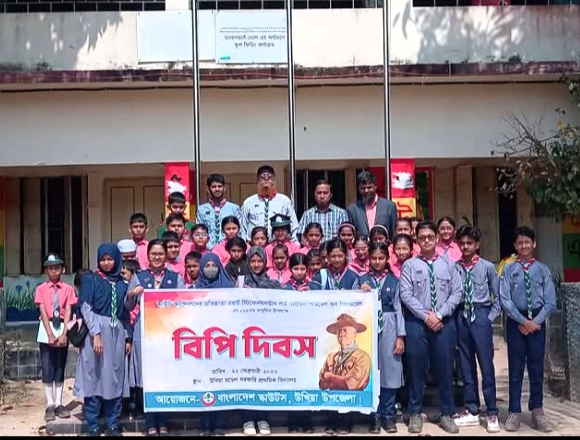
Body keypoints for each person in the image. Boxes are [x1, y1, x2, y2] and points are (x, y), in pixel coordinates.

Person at [399, 220, 462, 434]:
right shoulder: (409, 266)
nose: (426, 240)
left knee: (445, 369)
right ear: (416, 240)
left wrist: (440, 314)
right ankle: (415, 413)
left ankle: (447, 414)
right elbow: (406, 295)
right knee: (416, 370)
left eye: (429, 236)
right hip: (417, 324)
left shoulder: (449, 264)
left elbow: (457, 293)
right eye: (422, 237)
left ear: (436, 238)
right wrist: (426, 316)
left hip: (444, 323)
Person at [125, 239, 186, 437]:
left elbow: (185, 304)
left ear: (166, 255)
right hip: (144, 333)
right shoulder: (139, 276)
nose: (157, 257)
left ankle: (164, 422)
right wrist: (132, 294)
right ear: (148, 255)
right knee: (148, 378)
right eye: (153, 254)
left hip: (168, 334)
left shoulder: (175, 277)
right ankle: (150, 422)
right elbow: (128, 306)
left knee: (165, 378)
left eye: (160, 253)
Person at [499, 226, 556, 433]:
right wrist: (523, 321)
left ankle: (537, 411)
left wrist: (534, 322)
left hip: (537, 322)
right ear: (515, 246)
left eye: (527, 242)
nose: (523, 246)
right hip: (516, 322)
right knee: (515, 368)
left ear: (534, 244)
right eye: (520, 243)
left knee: (536, 367)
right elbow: (505, 300)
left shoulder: (543, 270)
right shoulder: (508, 269)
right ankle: (514, 411)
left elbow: (550, 302)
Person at [73, 243, 130, 437]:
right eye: (103, 259)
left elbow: (126, 313)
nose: (106, 263)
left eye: (110, 259)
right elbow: (85, 307)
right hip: (95, 332)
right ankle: (93, 425)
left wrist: (128, 338)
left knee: (114, 376)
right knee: (94, 375)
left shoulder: (123, 283)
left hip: (117, 333)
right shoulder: (91, 280)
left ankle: (113, 423)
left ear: (116, 259)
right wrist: (96, 334)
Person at [454, 225, 500, 433]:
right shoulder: (455, 267)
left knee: (486, 365)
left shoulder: (487, 267)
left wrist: (489, 318)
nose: (465, 247)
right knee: (466, 365)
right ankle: (472, 408)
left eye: (469, 243)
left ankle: (491, 412)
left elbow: (498, 297)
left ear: (477, 245)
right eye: (462, 243)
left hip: (481, 313)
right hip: (462, 314)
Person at [359, 243, 405, 434]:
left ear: (387, 259)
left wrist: (400, 336)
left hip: (389, 325)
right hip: (367, 327)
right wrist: (360, 292)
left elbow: (399, 310)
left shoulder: (395, 281)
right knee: (370, 371)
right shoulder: (362, 280)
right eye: (374, 258)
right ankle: (374, 417)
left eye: (381, 258)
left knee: (390, 372)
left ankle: (388, 415)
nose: (377, 262)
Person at [241, 245, 279, 436]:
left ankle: (263, 419)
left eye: (259, 261)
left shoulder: (273, 285)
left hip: (267, 339)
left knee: (264, 378)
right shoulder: (240, 285)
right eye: (253, 261)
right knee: (247, 378)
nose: (256, 265)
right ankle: (248, 419)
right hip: (245, 340)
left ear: (265, 262)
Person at [35, 253, 77, 422]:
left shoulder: (68, 289)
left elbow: (68, 311)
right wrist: (50, 334)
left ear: (63, 269)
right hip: (47, 327)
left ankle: (59, 403)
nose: (54, 271)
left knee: (60, 365)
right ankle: (50, 404)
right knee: (47, 366)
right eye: (50, 268)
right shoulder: (41, 289)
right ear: (46, 270)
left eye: (57, 268)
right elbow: (43, 311)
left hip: (62, 327)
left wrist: (65, 334)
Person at [196, 253, 234, 436]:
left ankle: (219, 424)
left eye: (214, 265)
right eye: (207, 265)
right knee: (204, 384)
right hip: (201, 344)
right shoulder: (195, 289)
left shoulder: (230, 288)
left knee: (221, 383)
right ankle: (205, 425)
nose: (210, 268)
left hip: (224, 344)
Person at [239, 165, 299, 242]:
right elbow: (242, 227)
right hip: (254, 245)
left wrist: (294, 244)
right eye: (263, 178)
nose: (266, 180)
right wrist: (244, 245)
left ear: (274, 180)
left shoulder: (284, 201)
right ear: (257, 181)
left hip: (278, 245)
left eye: (269, 177)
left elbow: (293, 225)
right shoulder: (249, 202)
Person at [346, 171, 397, 238]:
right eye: (363, 188)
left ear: (375, 186)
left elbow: (393, 232)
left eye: (369, 187)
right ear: (358, 189)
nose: (366, 191)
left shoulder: (389, 206)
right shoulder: (352, 209)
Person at [196, 174, 241, 250]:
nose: (217, 189)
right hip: (208, 249)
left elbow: (239, 232)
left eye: (220, 186)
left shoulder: (234, 208)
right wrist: (211, 248)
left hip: (229, 249)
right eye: (213, 187)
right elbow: (199, 231)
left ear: (224, 188)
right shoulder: (202, 209)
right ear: (208, 189)